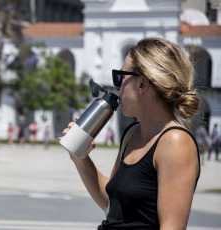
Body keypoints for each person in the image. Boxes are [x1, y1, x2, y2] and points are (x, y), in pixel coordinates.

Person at [60, 37, 201, 229]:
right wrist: (81, 158)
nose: (117, 86)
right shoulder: (132, 134)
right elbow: (113, 204)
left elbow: (172, 226)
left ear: (142, 84)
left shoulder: (175, 141)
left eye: (121, 77)